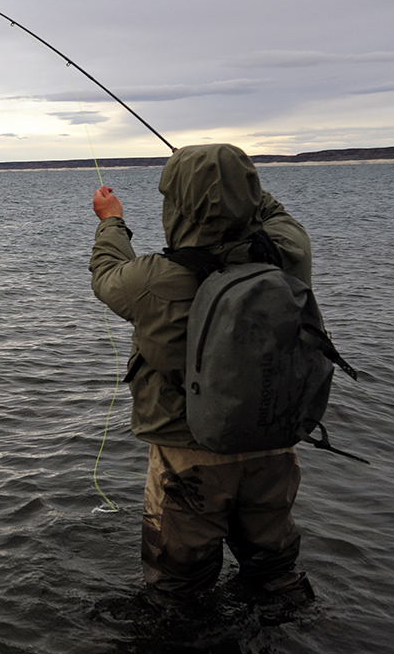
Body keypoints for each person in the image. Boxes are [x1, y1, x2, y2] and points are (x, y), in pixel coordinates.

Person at [88, 143, 315, 602]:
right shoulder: (290, 251)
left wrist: (111, 219)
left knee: (177, 588)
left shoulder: (150, 279)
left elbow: (106, 272)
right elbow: (275, 211)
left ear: (176, 203)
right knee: (275, 572)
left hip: (188, 454)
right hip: (271, 438)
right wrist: (233, 183)